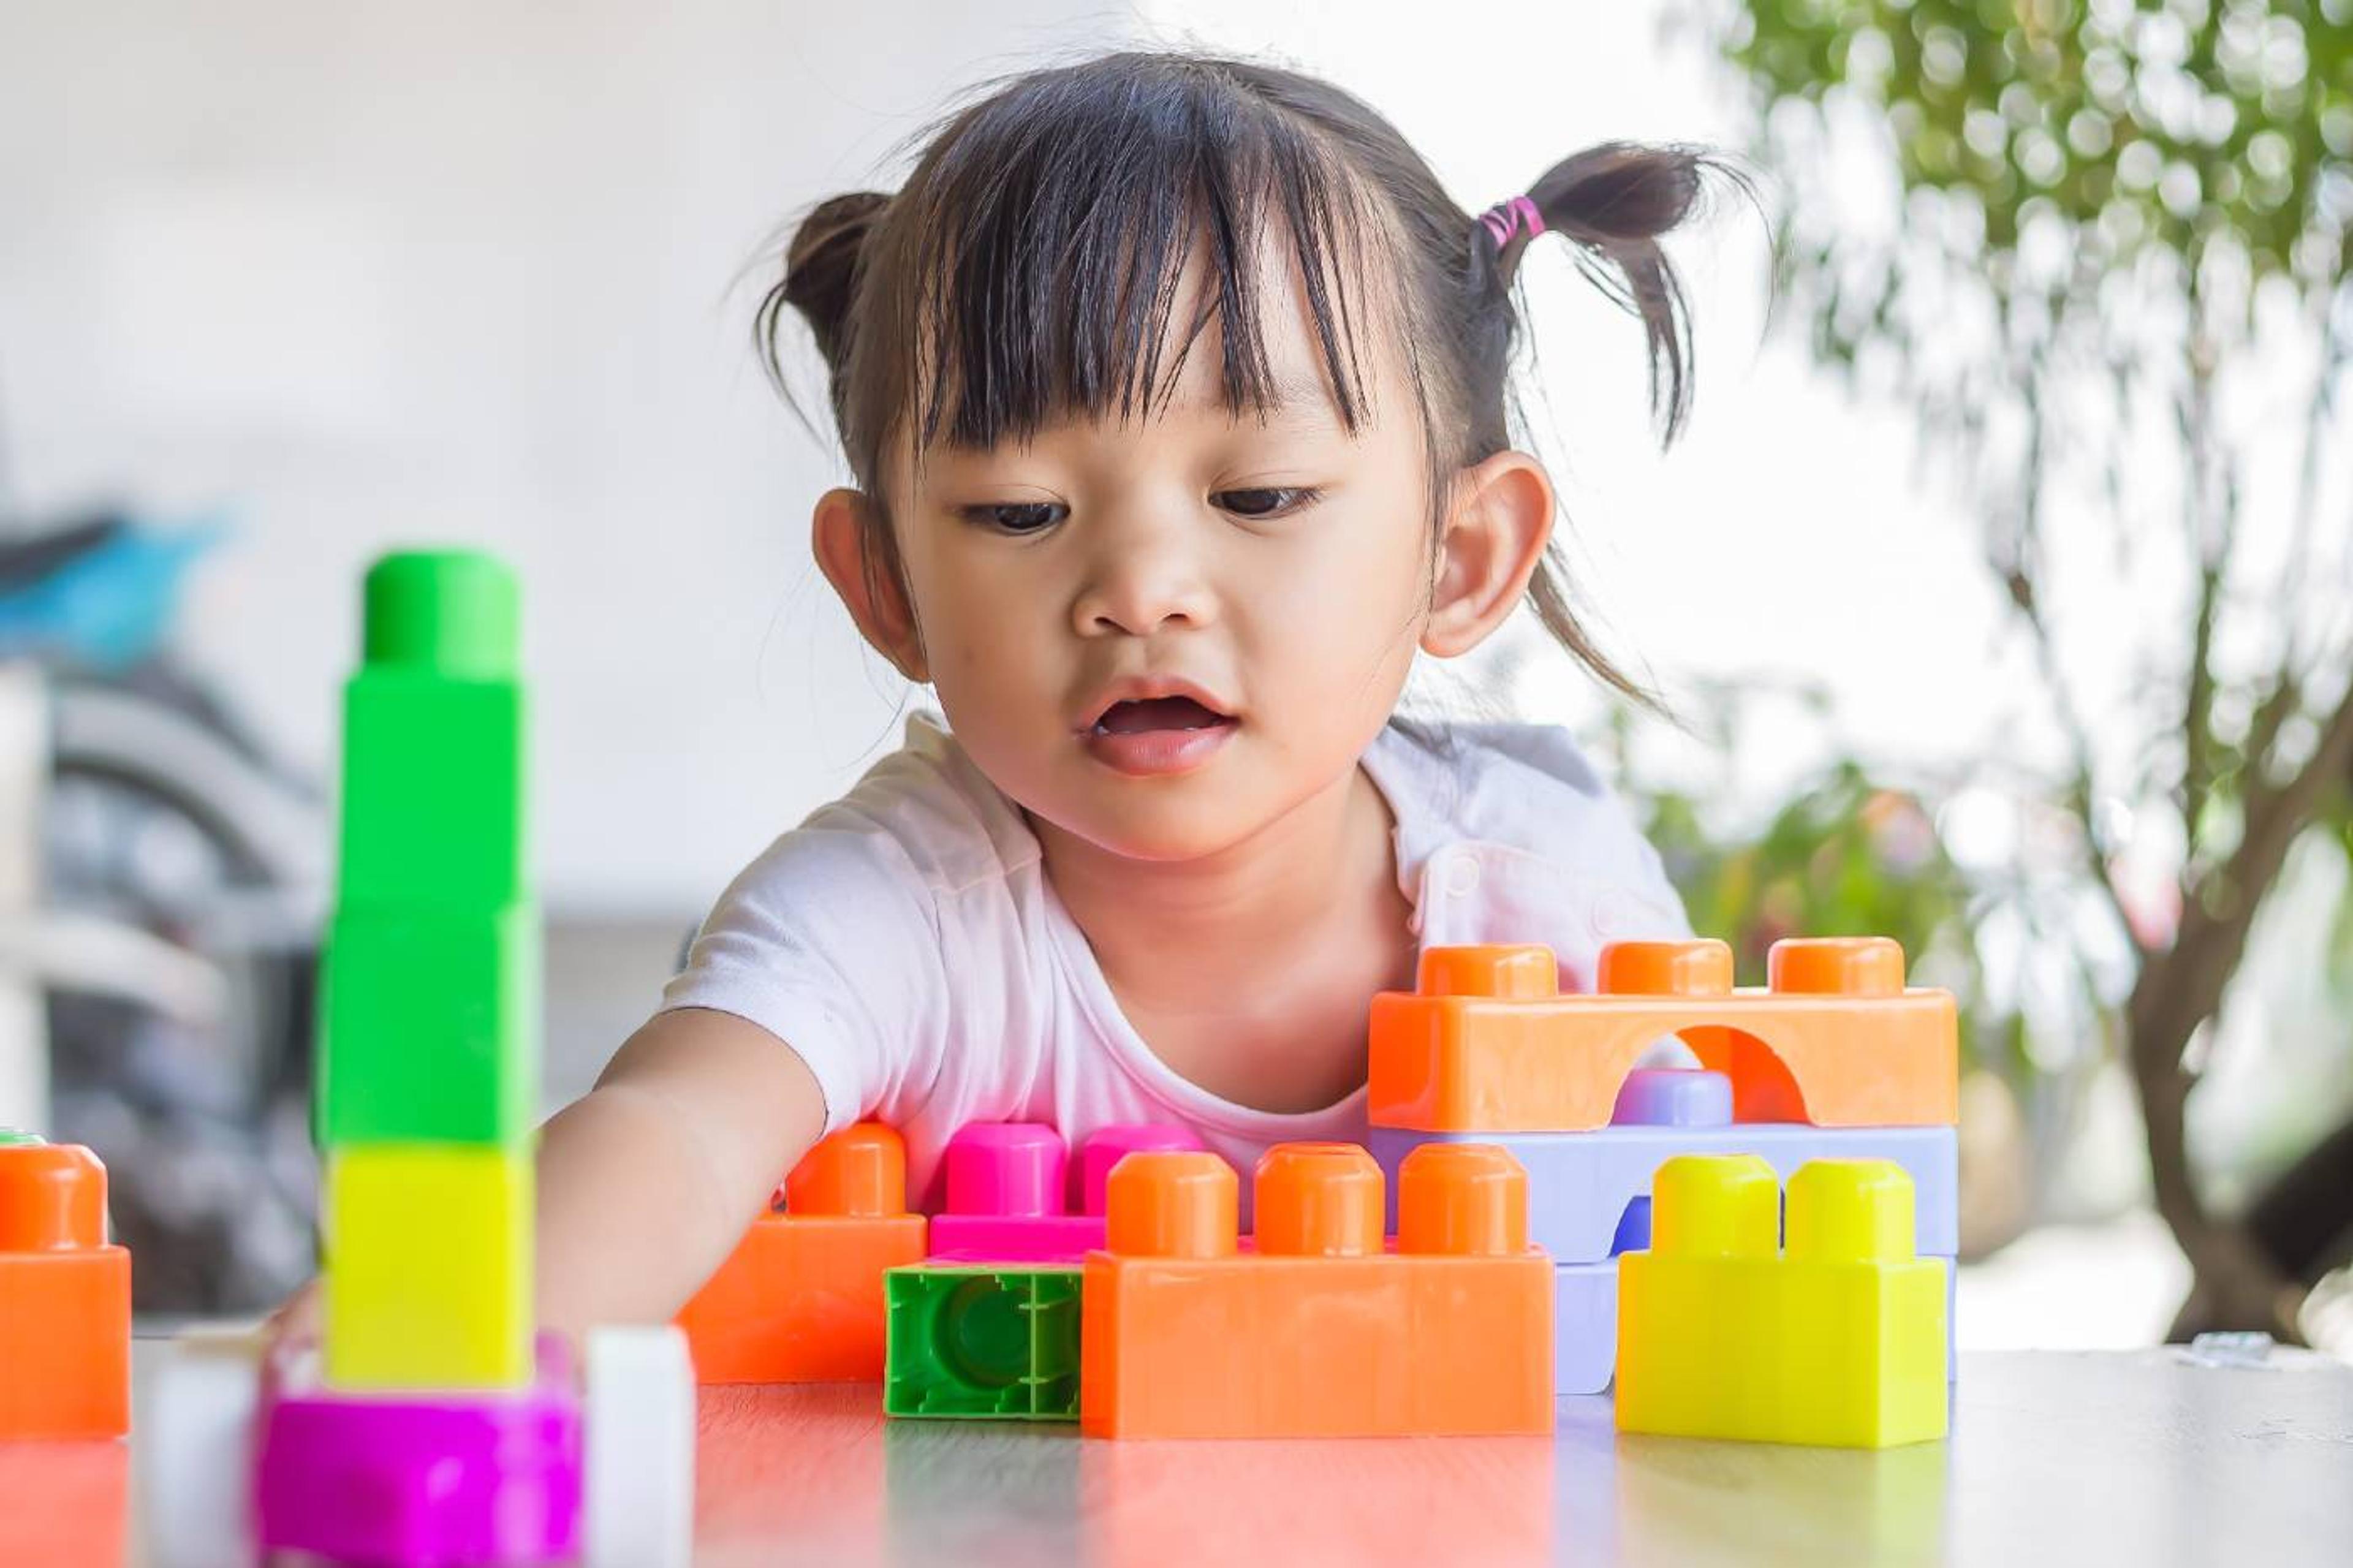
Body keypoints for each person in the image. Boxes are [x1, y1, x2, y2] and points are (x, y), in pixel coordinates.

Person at [297, 48, 1759, 1338]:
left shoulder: (1549, 898)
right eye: (1017, 511)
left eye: (1257, 493)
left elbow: (1725, 1250)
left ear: (1461, 556)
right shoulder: (902, 908)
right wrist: (424, 1327)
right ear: (885, 586)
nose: (1139, 586)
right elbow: (678, 1126)